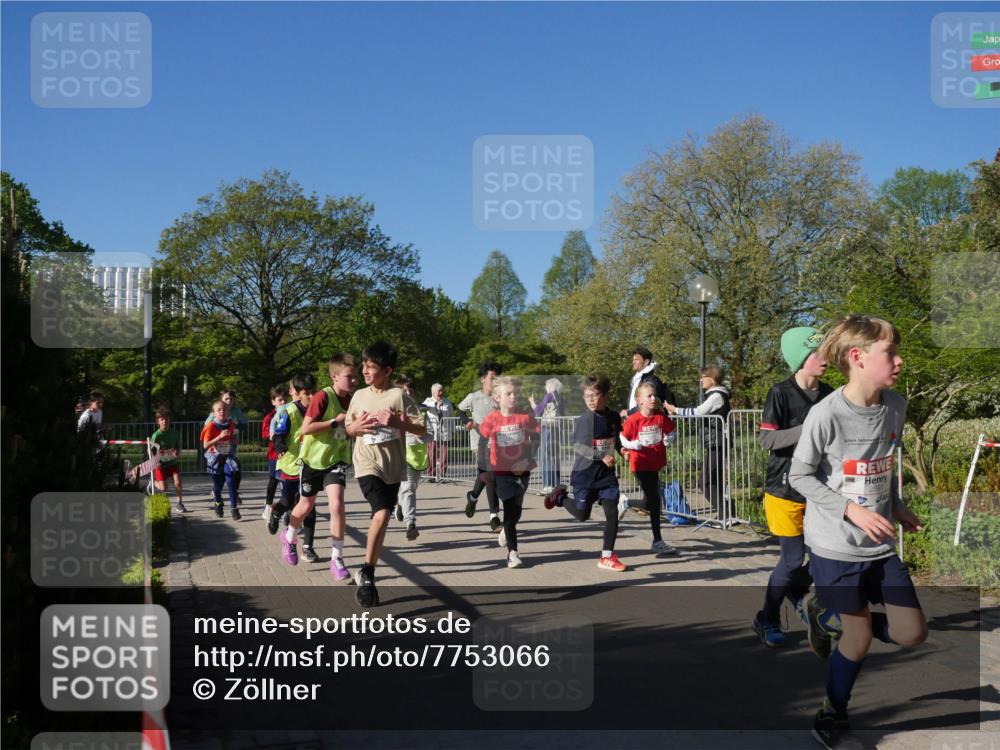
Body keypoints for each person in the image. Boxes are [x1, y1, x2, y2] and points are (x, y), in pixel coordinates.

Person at [789, 315, 926, 750]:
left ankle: (822, 614)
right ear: (858, 358)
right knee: (860, 636)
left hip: (879, 545)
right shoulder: (826, 415)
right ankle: (832, 712)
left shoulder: (896, 406)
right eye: (890, 353)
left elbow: (880, 469)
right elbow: (800, 476)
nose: (900, 361)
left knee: (911, 633)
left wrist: (896, 506)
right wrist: (850, 510)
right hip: (835, 545)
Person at [751, 327, 838, 650]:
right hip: (783, 490)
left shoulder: (831, 393)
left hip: (819, 490)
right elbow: (768, 439)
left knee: (822, 558)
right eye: (817, 353)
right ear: (800, 358)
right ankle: (767, 619)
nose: (825, 358)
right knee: (790, 560)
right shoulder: (780, 393)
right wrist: (809, 427)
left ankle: (794, 591)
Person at [344, 341, 425, 608]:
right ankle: (368, 573)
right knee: (381, 513)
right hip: (366, 463)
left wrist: (397, 423)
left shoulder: (399, 397)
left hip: (392, 467)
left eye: (371, 367)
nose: (365, 372)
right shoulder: (359, 396)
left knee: (384, 518)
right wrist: (353, 427)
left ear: (387, 370)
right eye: (364, 366)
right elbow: (347, 427)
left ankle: (366, 569)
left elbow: (421, 429)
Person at [544, 375, 630, 572]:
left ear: (605, 396)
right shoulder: (585, 420)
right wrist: (601, 455)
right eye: (587, 396)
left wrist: (622, 450)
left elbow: (615, 438)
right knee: (583, 515)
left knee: (612, 514)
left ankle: (606, 556)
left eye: (595, 395)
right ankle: (560, 498)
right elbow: (579, 447)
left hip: (606, 477)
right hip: (585, 475)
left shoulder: (613, 417)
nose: (591, 400)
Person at [299, 354, 358, 580]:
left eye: (355, 377)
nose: (354, 381)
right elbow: (306, 428)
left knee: (337, 505)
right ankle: (290, 533)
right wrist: (334, 422)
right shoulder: (323, 396)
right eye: (349, 377)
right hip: (313, 460)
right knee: (305, 505)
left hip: (337, 460)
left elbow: (350, 429)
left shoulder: (354, 400)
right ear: (335, 376)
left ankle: (337, 558)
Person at [478, 376, 539, 569]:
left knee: (516, 511)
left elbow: (537, 437)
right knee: (509, 507)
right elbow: (482, 442)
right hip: (501, 471)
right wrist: (483, 468)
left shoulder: (525, 417)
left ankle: (507, 528)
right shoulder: (491, 419)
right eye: (508, 393)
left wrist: (527, 460)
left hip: (522, 471)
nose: (514, 397)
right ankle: (513, 553)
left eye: (515, 393)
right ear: (497, 397)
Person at [619, 382, 677, 556]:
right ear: (639, 400)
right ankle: (657, 541)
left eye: (654, 395)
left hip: (655, 463)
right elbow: (622, 437)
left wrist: (670, 439)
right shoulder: (634, 419)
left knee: (651, 503)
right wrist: (632, 445)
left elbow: (672, 431)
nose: (653, 398)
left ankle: (626, 503)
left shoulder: (659, 416)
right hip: (640, 464)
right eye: (649, 396)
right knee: (654, 500)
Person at [665, 365, 731, 514]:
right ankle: (726, 512)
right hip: (715, 443)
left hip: (718, 443)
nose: (700, 380)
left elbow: (698, 412)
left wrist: (675, 409)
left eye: (703, 377)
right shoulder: (715, 395)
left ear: (712, 379)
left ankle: (726, 513)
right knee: (710, 481)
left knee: (706, 482)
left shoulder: (717, 396)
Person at [274, 373, 320, 564]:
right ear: (297, 393)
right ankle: (276, 511)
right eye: (306, 393)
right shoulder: (288, 411)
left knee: (310, 506)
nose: (310, 397)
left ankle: (307, 547)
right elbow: (278, 433)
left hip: (310, 463)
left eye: (313, 392)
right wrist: (280, 446)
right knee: (287, 501)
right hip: (290, 464)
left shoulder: (319, 409)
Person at [458, 362, 503, 531]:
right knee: (490, 475)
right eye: (492, 378)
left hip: (497, 442)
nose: (495, 381)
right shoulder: (473, 397)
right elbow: (460, 409)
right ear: (483, 379)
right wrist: (467, 421)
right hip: (479, 442)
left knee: (485, 475)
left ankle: (473, 497)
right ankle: (494, 517)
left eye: (497, 378)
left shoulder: (499, 397)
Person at [395, 375, 428, 541]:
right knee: (408, 488)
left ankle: (400, 504)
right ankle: (411, 524)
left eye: (410, 390)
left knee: (412, 487)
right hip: (400, 452)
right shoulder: (393, 407)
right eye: (404, 390)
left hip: (417, 452)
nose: (407, 393)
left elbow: (425, 430)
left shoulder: (419, 408)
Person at [204, 390, 247, 504]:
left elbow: (244, 423)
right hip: (217, 448)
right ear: (221, 400)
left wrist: (235, 427)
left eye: (231, 399)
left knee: (235, 470)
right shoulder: (217, 410)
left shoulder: (235, 410)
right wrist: (219, 428)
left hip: (230, 445)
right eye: (226, 399)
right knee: (222, 472)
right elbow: (207, 424)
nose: (229, 401)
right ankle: (217, 491)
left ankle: (233, 492)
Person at [200, 400, 241, 520]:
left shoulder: (231, 423)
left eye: (224, 409)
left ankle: (234, 508)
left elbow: (233, 437)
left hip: (227, 455)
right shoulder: (211, 426)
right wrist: (219, 437)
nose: (222, 411)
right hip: (214, 457)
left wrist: (233, 439)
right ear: (214, 413)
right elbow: (205, 445)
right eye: (219, 410)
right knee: (218, 485)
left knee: (230, 478)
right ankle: (218, 502)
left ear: (228, 412)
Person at [529, 378, 565, 493]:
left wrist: (533, 403)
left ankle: (547, 485)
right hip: (556, 428)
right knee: (554, 456)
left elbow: (538, 411)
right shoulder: (560, 398)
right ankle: (556, 484)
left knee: (546, 456)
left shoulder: (549, 396)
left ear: (550, 386)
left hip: (547, 428)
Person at [150, 406, 187, 513]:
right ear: (158, 421)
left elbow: (178, 445)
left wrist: (177, 451)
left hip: (172, 462)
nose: (165, 421)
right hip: (160, 463)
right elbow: (151, 451)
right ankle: (153, 482)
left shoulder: (175, 433)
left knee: (178, 481)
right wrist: (156, 462)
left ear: (169, 420)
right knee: (163, 487)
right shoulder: (156, 435)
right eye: (162, 419)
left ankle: (179, 503)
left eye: (166, 419)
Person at [621, 347, 676, 418]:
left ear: (646, 361)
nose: (633, 362)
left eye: (636, 359)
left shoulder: (650, 380)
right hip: (639, 419)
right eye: (633, 360)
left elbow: (650, 403)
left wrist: (629, 412)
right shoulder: (637, 379)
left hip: (647, 421)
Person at [261, 385, 289, 523]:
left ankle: (288, 510)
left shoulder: (290, 413)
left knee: (287, 482)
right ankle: (268, 504)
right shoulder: (270, 417)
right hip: (273, 455)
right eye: (280, 400)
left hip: (287, 455)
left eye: (285, 400)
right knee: (273, 480)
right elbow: (265, 433)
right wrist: (276, 432)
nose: (283, 403)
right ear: (273, 401)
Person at [422, 383, 457, 481]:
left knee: (444, 456)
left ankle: (442, 475)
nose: (441, 393)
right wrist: (435, 405)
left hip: (445, 432)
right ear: (433, 392)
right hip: (432, 433)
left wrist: (453, 430)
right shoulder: (427, 401)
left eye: (442, 390)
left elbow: (452, 416)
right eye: (439, 391)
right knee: (431, 454)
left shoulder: (447, 402)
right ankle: (431, 475)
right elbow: (423, 410)